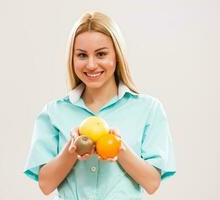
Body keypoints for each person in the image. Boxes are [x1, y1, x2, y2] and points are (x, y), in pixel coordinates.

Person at [24, 11, 176, 200]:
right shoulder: (53, 112)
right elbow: (45, 185)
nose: (91, 65)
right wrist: (71, 149)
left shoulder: (149, 109)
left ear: (117, 56)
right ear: (72, 59)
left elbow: (152, 183)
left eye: (101, 54)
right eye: (81, 55)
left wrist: (120, 148)